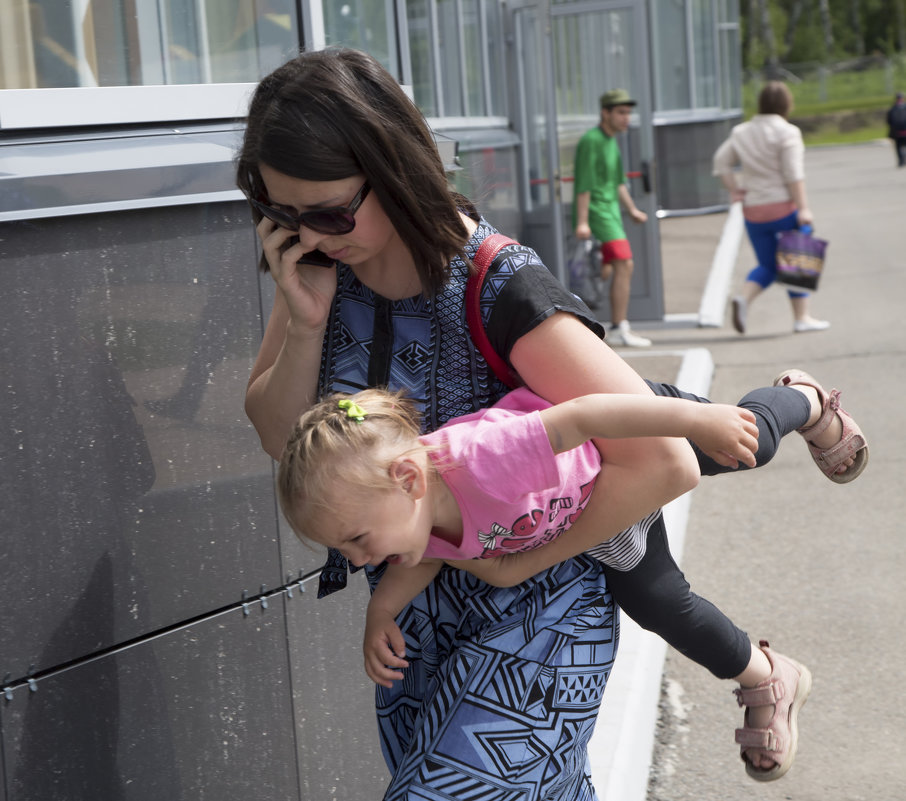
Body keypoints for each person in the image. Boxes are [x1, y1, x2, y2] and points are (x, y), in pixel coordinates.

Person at [237, 49, 867, 793]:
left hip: (542, 612)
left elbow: (663, 460)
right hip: (421, 620)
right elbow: (286, 443)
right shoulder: (316, 272)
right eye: (284, 216)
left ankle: (801, 405)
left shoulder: (498, 284)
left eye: (329, 211)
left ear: (392, 164)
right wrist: (306, 325)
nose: (308, 234)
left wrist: (517, 562)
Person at [276, 385, 760, 686]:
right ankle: (759, 674)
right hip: (602, 517)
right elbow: (426, 561)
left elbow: (583, 415)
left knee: (751, 441)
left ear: (409, 479)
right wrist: (380, 612)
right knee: (662, 605)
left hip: (627, 440)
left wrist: (696, 420)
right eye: (343, 550)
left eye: (357, 539)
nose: (358, 561)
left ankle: (802, 402)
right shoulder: (415, 528)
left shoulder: (484, 458)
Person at [713, 81, 830, 335]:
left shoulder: (741, 132)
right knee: (796, 261)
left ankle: (743, 298)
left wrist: (735, 189)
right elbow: (793, 174)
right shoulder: (788, 132)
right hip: (782, 208)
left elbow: (721, 162)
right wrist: (804, 208)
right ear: (787, 104)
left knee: (768, 264)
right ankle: (802, 318)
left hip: (754, 210)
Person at [573, 88, 651, 347]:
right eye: (620, 112)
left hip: (612, 213)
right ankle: (619, 326)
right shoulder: (591, 141)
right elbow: (582, 185)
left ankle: (581, 319)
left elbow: (618, 183)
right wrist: (582, 221)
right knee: (624, 264)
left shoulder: (611, 141)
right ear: (604, 113)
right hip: (598, 213)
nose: (626, 118)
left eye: (628, 113)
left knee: (603, 271)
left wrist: (632, 211)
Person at [886, 91, 906, 168]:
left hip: (896, 132)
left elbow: (889, 121)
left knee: (898, 147)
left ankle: (901, 160)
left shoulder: (892, 109)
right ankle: (903, 158)